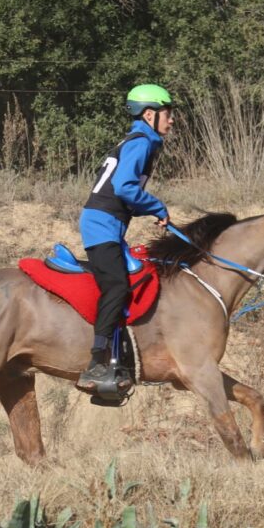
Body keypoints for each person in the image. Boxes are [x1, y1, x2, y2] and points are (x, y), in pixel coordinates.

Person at [77, 84, 174, 392]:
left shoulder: (140, 139)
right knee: (117, 286)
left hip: (107, 224)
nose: (172, 121)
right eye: (168, 114)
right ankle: (96, 365)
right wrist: (157, 207)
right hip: (101, 224)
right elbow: (123, 187)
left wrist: (150, 211)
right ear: (150, 114)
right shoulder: (142, 141)